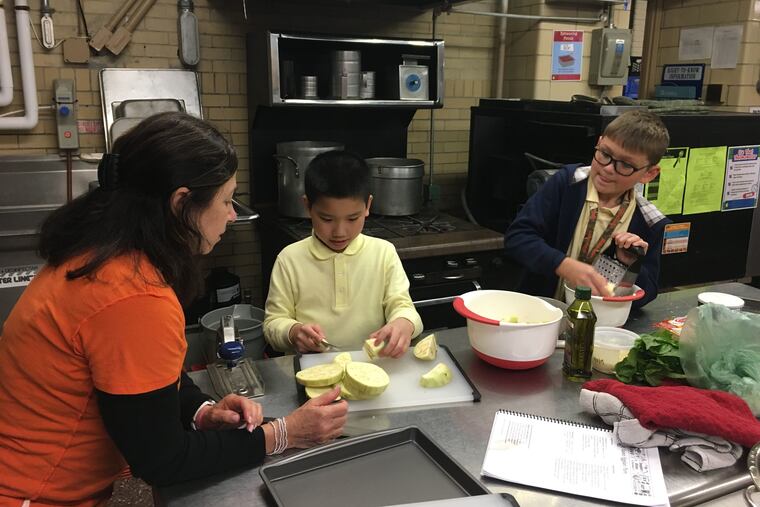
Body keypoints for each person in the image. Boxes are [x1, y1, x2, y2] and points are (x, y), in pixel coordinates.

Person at [0, 112, 347, 507]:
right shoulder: (133, 295)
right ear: (182, 202)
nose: (232, 215)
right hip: (29, 493)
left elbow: (143, 384)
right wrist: (283, 433)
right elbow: (162, 461)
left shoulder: (102, 253)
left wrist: (201, 411)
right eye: (225, 200)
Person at [504, 109, 672, 309]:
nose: (608, 168)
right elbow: (517, 238)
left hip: (600, 322)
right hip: (541, 313)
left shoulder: (649, 221)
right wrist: (562, 264)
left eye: (626, 165)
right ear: (599, 143)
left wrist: (629, 265)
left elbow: (648, 292)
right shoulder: (566, 185)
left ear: (649, 173)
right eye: (605, 154)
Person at [264, 150, 423, 357]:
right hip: (312, 370)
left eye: (352, 218)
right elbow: (272, 324)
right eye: (327, 219)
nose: (340, 232)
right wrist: (293, 332)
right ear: (308, 206)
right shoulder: (290, 259)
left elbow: (404, 306)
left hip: (372, 366)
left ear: (368, 206)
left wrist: (404, 323)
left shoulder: (383, 253)